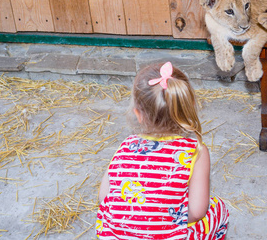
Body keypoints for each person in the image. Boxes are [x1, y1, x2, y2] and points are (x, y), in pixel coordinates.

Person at [96, 61, 229, 239]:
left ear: (138, 114)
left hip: (117, 236)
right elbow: (197, 211)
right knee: (218, 208)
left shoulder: (127, 145)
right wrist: (170, 216)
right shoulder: (196, 152)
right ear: (185, 109)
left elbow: (104, 197)